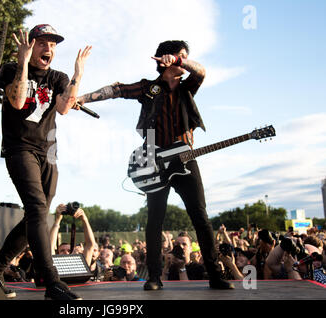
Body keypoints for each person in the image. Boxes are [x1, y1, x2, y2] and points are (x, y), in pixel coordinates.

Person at [76, 40, 233, 290]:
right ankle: (154, 278)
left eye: (185, 57)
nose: (183, 61)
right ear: (162, 59)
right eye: (178, 56)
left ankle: (215, 275)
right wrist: (82, 98)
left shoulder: (187, 87)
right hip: (155, 161)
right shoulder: (149, 89)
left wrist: (180, 61)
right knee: (154, 219)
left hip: (185, 159)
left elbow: (201, 71)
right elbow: (117, 90)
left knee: (200, 216)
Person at [0, 24, 91, 300]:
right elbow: (19, 101)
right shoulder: (11, 69)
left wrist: (78, 75)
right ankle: (51, 282)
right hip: (19, 148)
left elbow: (64, 108)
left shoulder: (58, 77)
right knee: (35, 209)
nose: (49, 49)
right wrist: (22, 62)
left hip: (47, 152)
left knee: (37, 214)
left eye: (53, 44)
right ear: (31, 45)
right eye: (43, 43)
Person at [49, 204, 97, 268]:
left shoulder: (82, 265)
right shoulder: (54, 265)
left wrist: (84, 219)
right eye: (62, 251)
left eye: (69, 250)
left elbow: (90, 244)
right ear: (57, 253)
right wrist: (57, 220)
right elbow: (50, 246)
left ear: (74, 252)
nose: (66, 253)